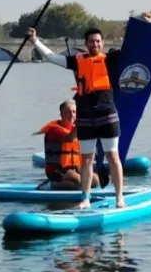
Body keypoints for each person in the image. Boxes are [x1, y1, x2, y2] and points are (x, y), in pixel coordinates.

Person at [28, 27, 125, 209]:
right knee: (86, 159)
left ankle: (120, 198)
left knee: (113, 156)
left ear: (102, 43)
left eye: (98, 41)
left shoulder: (111, 59)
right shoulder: (77, 61)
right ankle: (85, 199)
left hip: (107, 115)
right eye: (91, 41)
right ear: (86, 44)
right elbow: (51, 57)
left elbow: (133, 48)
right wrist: (35, 41)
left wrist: (144, 23)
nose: (94, 44)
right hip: (86, 116)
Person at [33, 100, 100, 190]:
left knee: (96, 181)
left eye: (74, 112)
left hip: (74, 168)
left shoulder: (76, 129)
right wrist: (79, 124)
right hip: (57, 170)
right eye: (68, 111)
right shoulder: (55, 130)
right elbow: (69, 139)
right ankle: (51, 185)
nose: (72, 114)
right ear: (61, 114)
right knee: (81, 183)